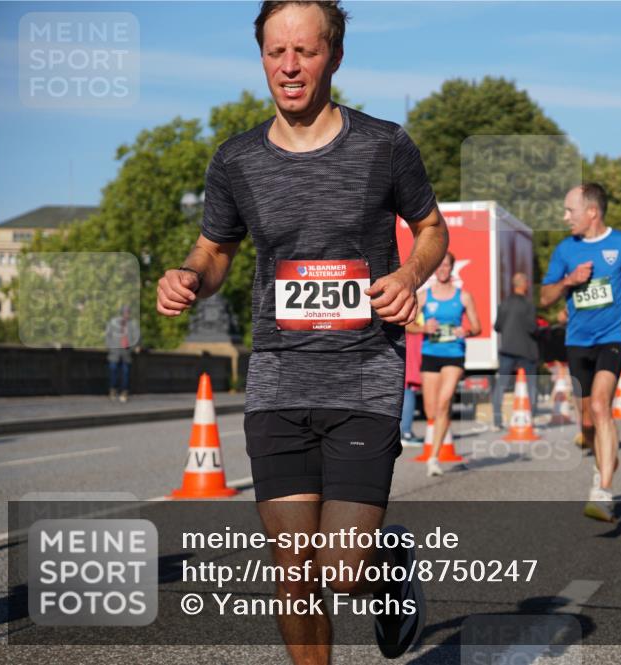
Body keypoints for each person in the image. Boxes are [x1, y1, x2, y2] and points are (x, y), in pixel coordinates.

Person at [156, 2, 448, 661]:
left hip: (364, 375)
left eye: (306, 52)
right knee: (296, 568)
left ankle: (387, 570)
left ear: (334, 57)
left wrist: (408, 275)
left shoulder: (385, 145)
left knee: (341, 569)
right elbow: (215, 248)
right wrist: (189, 275)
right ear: (261, 57)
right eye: (276, 52)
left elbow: (432, 230)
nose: (289, 67)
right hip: (279, 378)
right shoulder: (236, 161)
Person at [540, 183, 621, 523]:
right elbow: (545, 299)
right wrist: (569, 281)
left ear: (591, 212)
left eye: (570, 211)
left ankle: (603, 491)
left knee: (600, 405)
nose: (566, 217)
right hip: (577, 340)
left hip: (613, 335)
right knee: (586, 420)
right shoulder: (565, 250)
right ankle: (605, 454)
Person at [406, 252, 481, 477]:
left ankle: (434, 457)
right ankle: (438, 439)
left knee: (443, 402)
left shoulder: (464, 297)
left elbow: (477, 327)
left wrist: (464, 331)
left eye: (446, 265)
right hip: (430, 354)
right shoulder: (424, 296)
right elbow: (407, 324)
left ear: (452, 268)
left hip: (454, 355)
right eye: (438, 266)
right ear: (434, 269)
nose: (442, 269)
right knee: (431, 409)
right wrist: (423, 329)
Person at [491, 272, 539, 432]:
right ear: (524, 284)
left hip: (507, 349)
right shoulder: (528, 305)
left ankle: (497, 420)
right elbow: (532, 327)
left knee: (501, 385)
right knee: (531, 384)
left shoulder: (504, 304)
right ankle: (530, 417)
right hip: (526, 351)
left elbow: (497, 326)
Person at [104, 304, 140, 402]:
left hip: (126, 352)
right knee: (113, 372)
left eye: (128, 312)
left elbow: (136, 338)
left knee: (126, 373)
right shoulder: (113, 322)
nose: (126, 314)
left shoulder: (133, 323)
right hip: (114, 352)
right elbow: (107, 336)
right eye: (125, 312)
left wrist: (132, 348)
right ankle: (113, 390)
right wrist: (111, 347)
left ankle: (124, 392)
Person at [400, 331, 423, 445]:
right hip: (410, 359)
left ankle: (405, 432)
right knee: (408, 391)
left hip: (408, 354)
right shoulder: (412, 328)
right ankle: (406, 433)